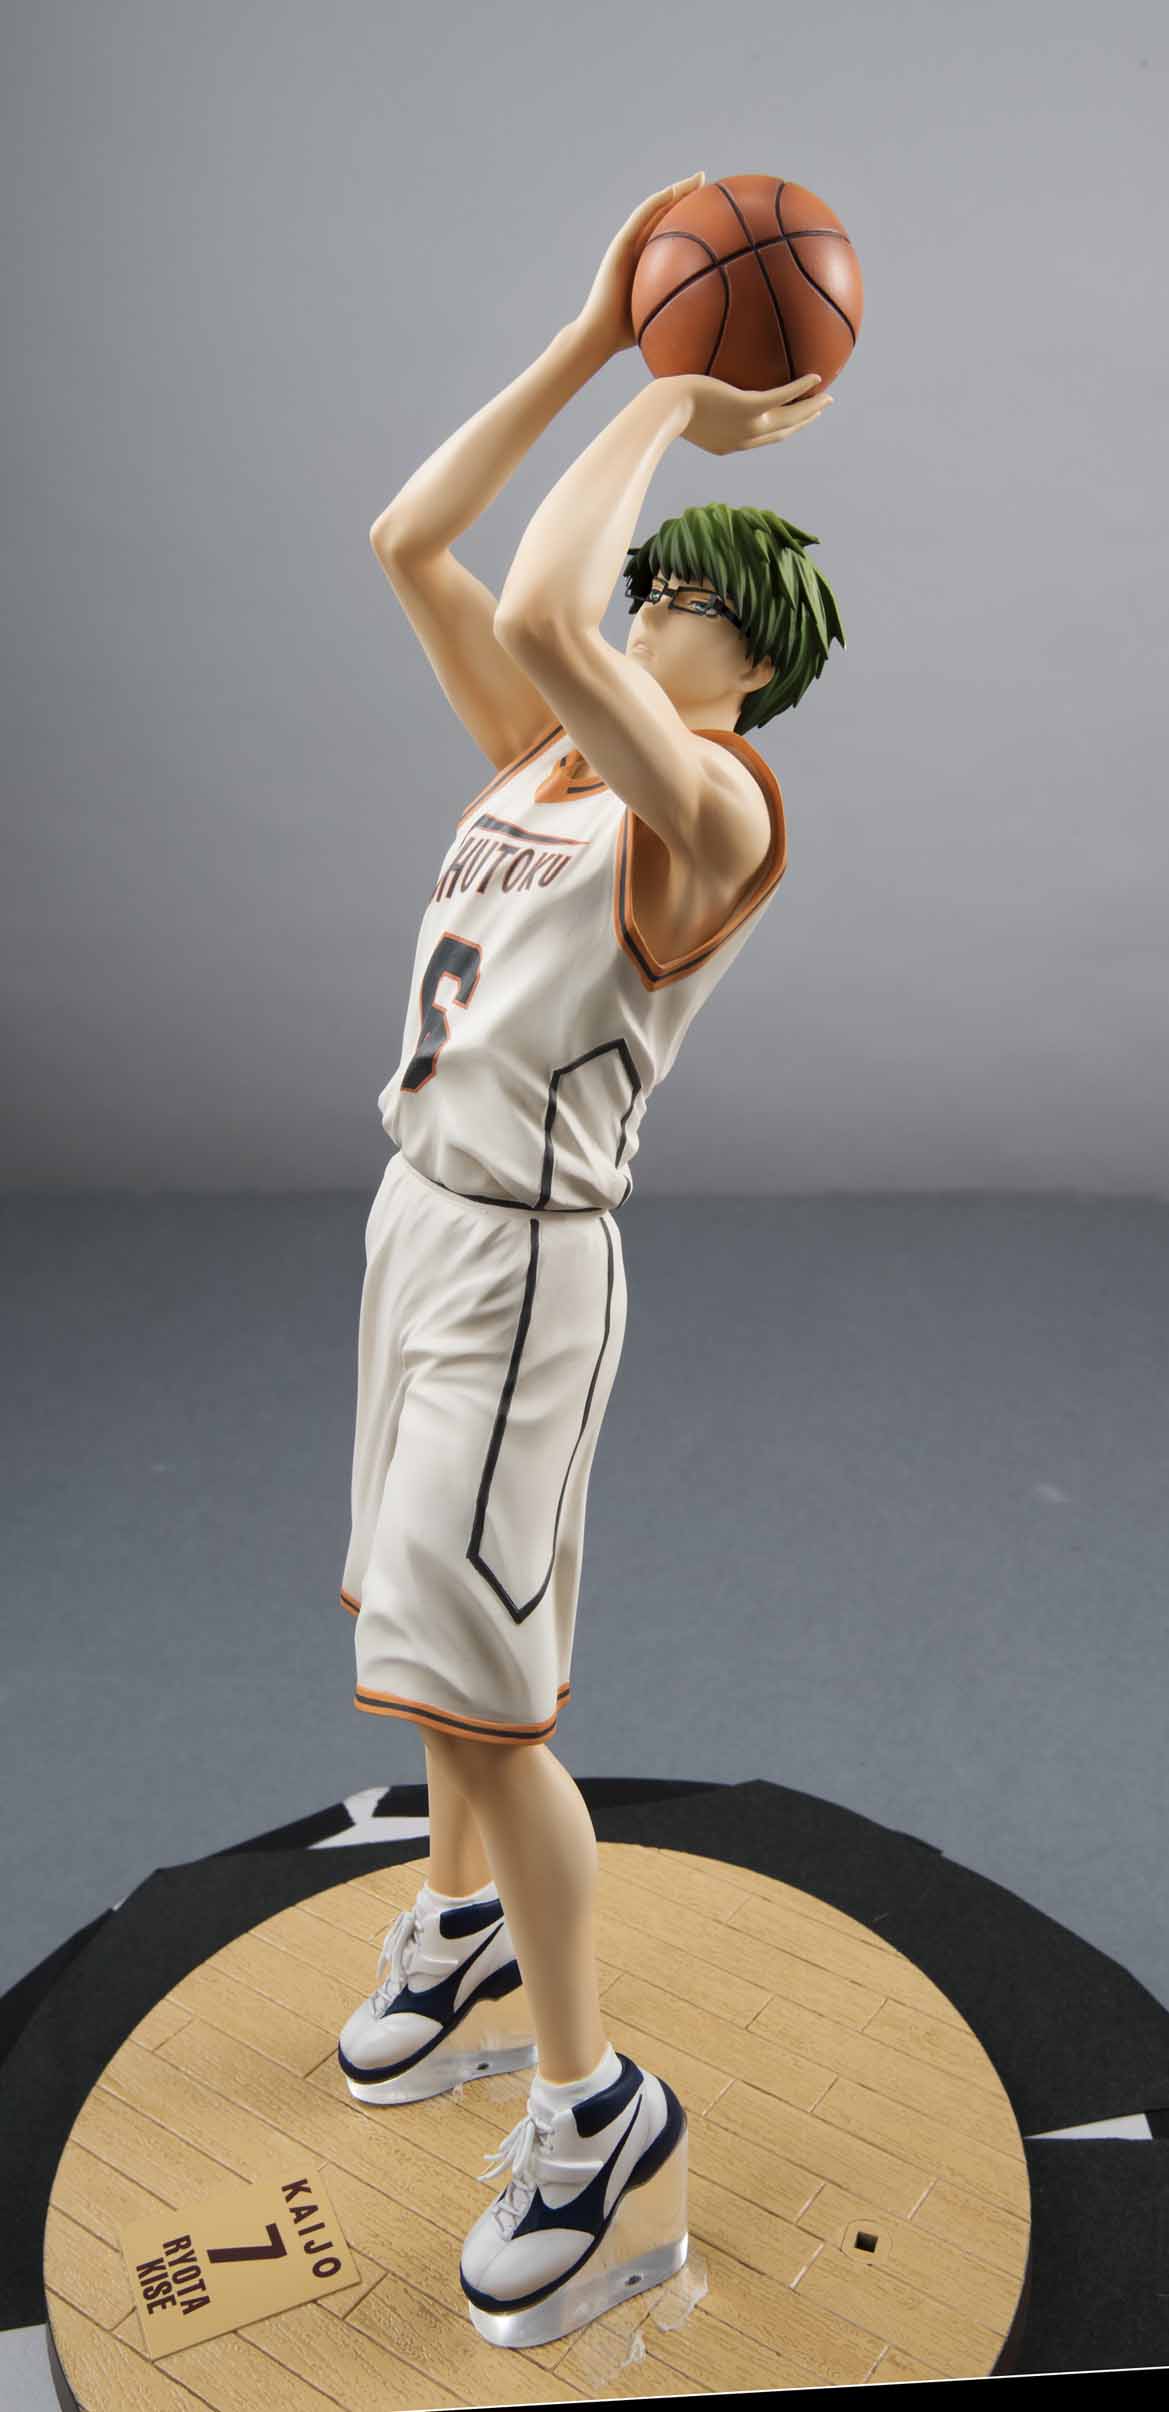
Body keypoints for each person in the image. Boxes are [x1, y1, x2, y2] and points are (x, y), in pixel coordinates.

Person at [335, 174, 844, 2349]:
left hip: (530, 1264)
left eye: (688, 595)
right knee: (414, 1647)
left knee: (488, 1695)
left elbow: (546, 604)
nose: (646, 602)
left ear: (754, 658)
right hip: (416, 1220)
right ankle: (458, 1930)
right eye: (652, 579)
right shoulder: (550, 760)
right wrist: (583, 332)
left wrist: (672, 394)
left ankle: (592, 2108)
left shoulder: (713, 810)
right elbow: (413, 541)